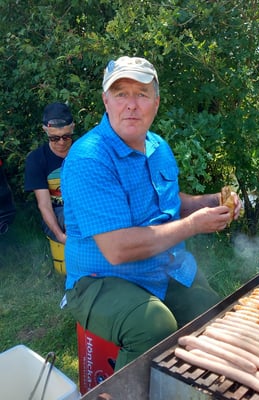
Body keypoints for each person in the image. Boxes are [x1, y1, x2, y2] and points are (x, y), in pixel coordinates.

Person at [61, 56, 241, 371]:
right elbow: (117, 249)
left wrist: (208, 202)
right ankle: (121, 391)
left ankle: (187, 387)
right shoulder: (89, 158)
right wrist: (192, 226)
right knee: (154, 326)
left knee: (215, 317)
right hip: (99, 278)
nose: (132, 104)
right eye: (121, 94)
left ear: (155, 103)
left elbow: (168, 201)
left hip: (159, 267)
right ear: (106, 101)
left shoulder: (159, 147)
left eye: (142, 94)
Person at [24, 102, 74, 244]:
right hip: (57, 215)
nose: (61, 142)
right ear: (45, 130)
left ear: (73, 128)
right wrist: (60, 236)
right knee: (71, 216)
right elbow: (44, 205)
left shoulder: (85, 151)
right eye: (54, 138)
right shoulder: (36, 159)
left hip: (86, 208)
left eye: (66, 136)